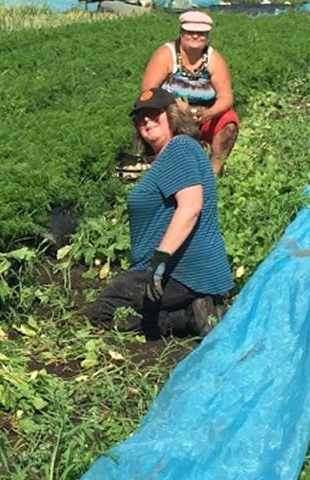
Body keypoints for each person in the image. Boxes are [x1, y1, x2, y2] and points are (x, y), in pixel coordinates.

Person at [86, 88, 232, 338]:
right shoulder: (173, 154)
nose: (147, 120)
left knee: (103, 311)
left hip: (181, 271)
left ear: (172, 116)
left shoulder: (179, 148)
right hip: (180, 271)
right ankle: (193, 310)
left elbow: (191, 206)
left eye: (155, 114)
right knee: (124, 296)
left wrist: (160, 261)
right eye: (141, 117)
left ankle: (186, 318)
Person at [141, 11, 237, 176]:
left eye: (201, 33)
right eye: (190, 31)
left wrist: (209, 113)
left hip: (202, 112)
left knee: (229, 123)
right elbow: (149, 91)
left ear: (207, 35)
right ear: (181, 32)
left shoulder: (213, 58)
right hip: (170, 112)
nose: (195, 36)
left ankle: (213, 174)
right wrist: (175, 105)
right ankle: (165, 170)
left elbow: (226, 97)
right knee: (157, 118)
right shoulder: (166, 54)